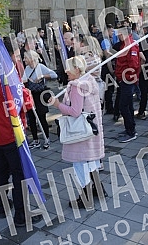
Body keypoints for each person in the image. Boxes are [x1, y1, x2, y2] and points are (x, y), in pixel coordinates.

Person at [0, 53, 42, 227]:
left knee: (0, 172)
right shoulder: (8, 74)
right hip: (11, 133)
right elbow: (21, 104)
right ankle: (21, 215)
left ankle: (2, 206)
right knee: (19, 175)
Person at [49, 55, 106, 208]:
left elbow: (74, 112)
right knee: (92, 161)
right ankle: (99, 190)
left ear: (76, 69)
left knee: (80, 165)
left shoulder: (76, 86)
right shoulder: (89, 81)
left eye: (68, 68)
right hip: (90, 129)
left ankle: (86, 198)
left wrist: (57, 104)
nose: (66, 71)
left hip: (79, 133)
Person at [22, 50, 57, 150]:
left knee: (42, 118)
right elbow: (23, 79)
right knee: (32, 119)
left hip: (40, 95)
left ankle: (47, 138)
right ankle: (35, 140)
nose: (24, 60)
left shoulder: (40, 67)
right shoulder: (27, 68)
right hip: (31, 95)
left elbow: (54, 75)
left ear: (31, 59)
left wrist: (42, 76)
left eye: (25, 58)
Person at [113, 27, 143, 143]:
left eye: (119, 34)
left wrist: (127, 78)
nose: (118, 36)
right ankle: (129, 128)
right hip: (124, 80)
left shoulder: (131, 45)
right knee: (128, 105)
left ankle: (131, 131)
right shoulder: (124, 44)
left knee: (124, 106)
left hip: (127, 81)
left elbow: (134, 65)